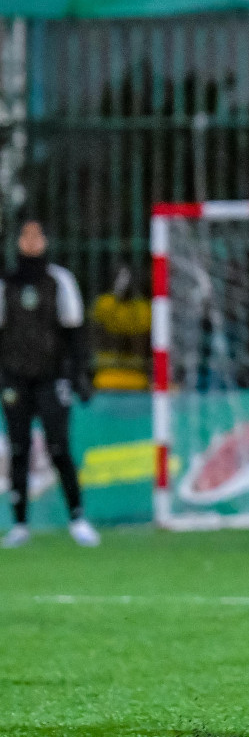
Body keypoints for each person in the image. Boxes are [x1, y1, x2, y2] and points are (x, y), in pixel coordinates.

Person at [0, 219, 99, 548]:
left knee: (58, 447)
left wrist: (80, 375)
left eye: (36, 235)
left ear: (45, 240)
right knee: (19, 449)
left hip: (51, 378)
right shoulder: (6, 284)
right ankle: (19, 524)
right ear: (18, 241)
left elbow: (74, 332)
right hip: (15, 378)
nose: (31, 241)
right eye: (25, 235)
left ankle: (78, 518)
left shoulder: (60, 281)